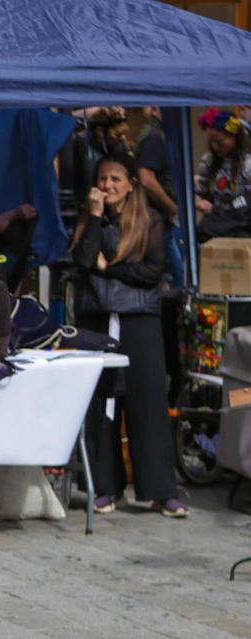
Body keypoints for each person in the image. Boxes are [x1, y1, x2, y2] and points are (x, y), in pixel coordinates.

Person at [71, 152, 187, 519]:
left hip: (139, 318)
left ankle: (159, 490)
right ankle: (106, 487)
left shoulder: (149, 220)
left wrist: (109, 267)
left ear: (131, 185)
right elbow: (85, 261)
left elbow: (151, 273)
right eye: (103, 179)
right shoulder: (90, 218)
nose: (107, 186)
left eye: (115, 179)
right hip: (98, 319)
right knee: (101, 403)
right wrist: (92, 218)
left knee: (148, 402)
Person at [136, 107, 184, 289]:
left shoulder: (157, 134)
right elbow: (146, 179)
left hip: (159, 218)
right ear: (156, 110)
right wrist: (172, 207)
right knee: (175, 276)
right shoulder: (155, 137)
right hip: (159, 219)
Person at [193, 107, 251, 242]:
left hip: (243, 231)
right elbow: (201, 192)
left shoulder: (247, 165)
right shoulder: (208, 162)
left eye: (219, 141)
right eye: (211, 141)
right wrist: (198, 201)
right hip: (215, 230)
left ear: (234, 138)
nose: (215, 146)